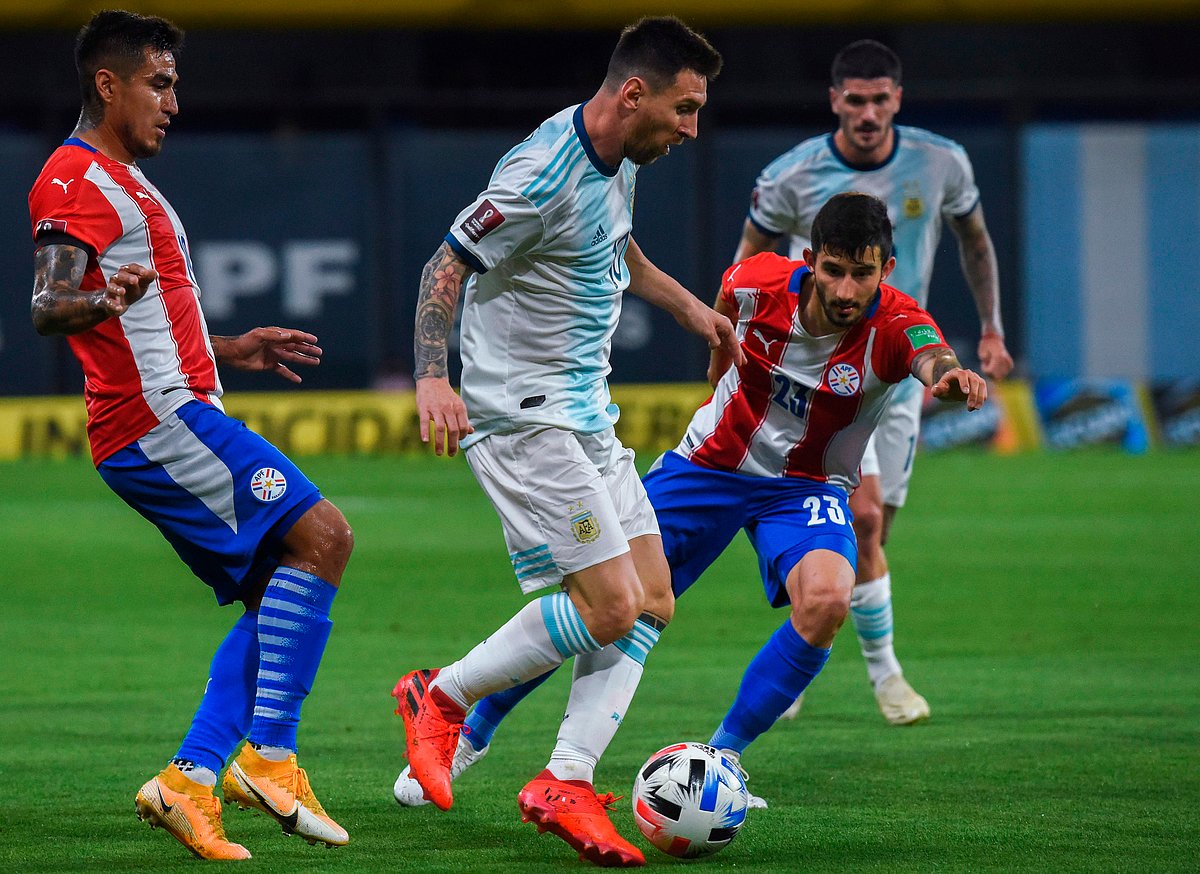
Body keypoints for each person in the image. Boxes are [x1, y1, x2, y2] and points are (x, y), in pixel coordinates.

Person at [394, 193, 986, 812]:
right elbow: (727, 302)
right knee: (599, 601)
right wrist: (717, 352)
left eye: (863, 273)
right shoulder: (759, 282)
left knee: (829, 598)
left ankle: (723, 760)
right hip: (708, 467)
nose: (846, 288)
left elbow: (931, 356)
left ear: (885, 271)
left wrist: (949, 375)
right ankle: (471, 733)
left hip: (805, 488)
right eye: (834, 269)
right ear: (810, 259)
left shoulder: (895, 324)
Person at [392, 16, 738, 868]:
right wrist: (432, 378)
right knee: (609, 606)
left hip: (584, 413)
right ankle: (439, 697)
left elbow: (613, 249)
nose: (692, 129)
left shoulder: (616, 158)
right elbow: (445, 266)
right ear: (634, 94)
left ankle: (565, 780)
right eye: (685, 109)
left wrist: (691, 307)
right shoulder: (541, 171)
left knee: (653, 598)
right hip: (521, 417)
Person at [28, 11, 352, 861]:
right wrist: (102, 300)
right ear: (109, 84)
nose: (175, 101)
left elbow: (148, 317)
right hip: (156, 421)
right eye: (159, 83)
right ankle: (269, 760)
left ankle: (191, 779)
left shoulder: (125, 178)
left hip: (177, 405)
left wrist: (229, 349)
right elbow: (48, 305)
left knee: (275, 600)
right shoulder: (75, 179)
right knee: (323, 538)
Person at [734, 39, 1014, 724]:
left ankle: (804, 646)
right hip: (815, 372)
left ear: (898, 97)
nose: (867, 112)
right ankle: (884, 677)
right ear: (834, 100)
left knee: (871, 531)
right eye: (854, 100)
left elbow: (975, 240)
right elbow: (749, 259)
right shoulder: (790, 175)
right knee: (855, 518)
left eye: (879, 99)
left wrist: (990, 330)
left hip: (896, 368)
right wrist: (740, 345)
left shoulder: (941, 161)